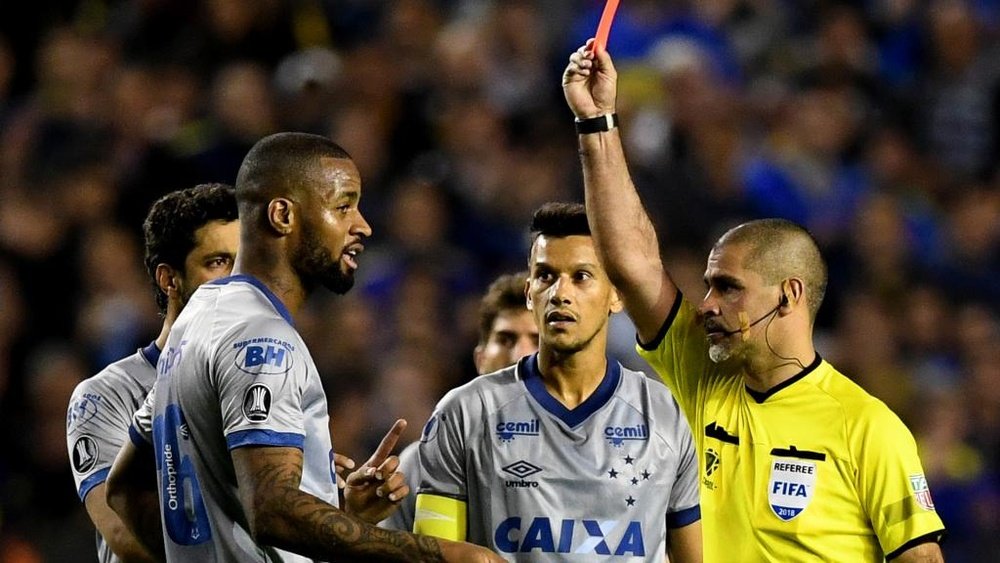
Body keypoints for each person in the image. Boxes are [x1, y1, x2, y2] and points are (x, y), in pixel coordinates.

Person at [562, 40, 947, 561]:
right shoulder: (704, 375)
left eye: (728, 287)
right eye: (707, 285)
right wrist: (596, 123)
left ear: (789, 295)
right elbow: (633, 265)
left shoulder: (867, 427)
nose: (706, 304)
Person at [106, 132, 503, 562]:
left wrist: (340, 513)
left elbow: (126, 487)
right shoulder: (261, 336)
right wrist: (437, 555)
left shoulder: (198, 317)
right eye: (343, 206)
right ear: (282, 215)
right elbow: (273, 510)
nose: (362, 225)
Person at [412, 202, 702, 562]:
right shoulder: (466, 412)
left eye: (581, 276)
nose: (560, 293)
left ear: (616, 295)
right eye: (546, 276)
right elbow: (435, 555)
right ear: (530, 292)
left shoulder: (665, 415)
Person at [66, 182, 240, 562]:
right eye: (217, 262)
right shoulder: (104, 397)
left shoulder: (264, 380)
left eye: (242, 263)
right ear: (169, 279)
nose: (236, 280)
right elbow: (122, 534)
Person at [381, 270, 539, 533]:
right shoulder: (422, 462)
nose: (520, 354)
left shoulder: (588, 454)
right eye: (506, 339)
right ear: (480, 359)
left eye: (536, 340)